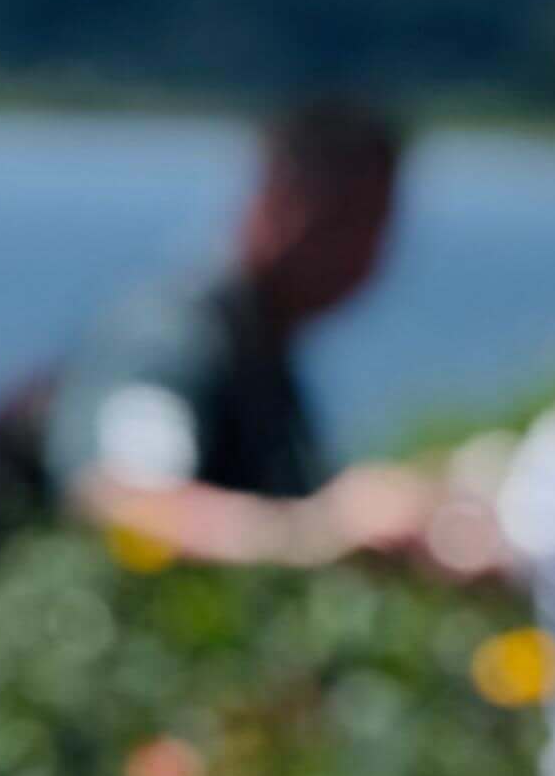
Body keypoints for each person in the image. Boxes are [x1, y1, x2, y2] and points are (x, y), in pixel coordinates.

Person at [47, 99, 436, 562]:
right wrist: (316, 531)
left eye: (377, 226)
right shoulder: (169, 334)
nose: (365, 253)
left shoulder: (261, 346)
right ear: (276, 198)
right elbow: (124, 501)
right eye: (347, 220)